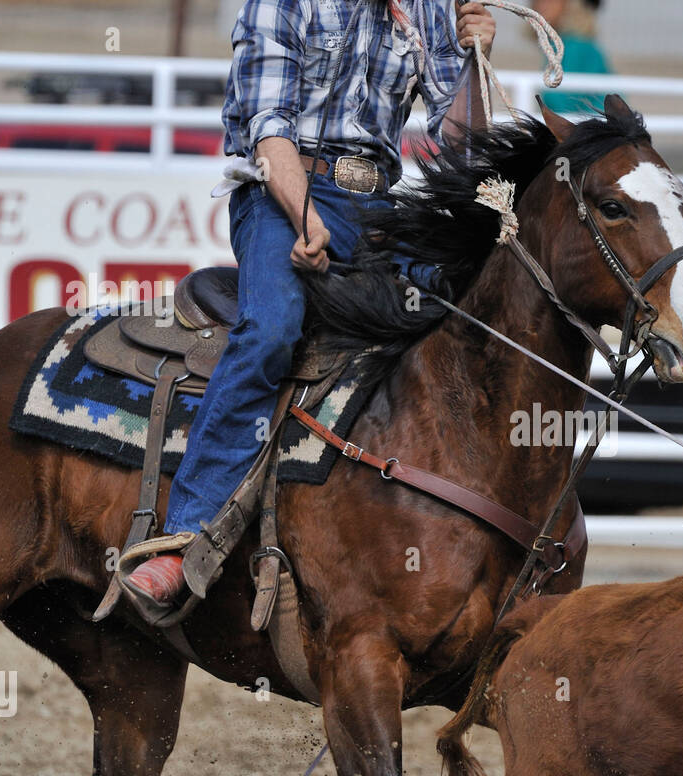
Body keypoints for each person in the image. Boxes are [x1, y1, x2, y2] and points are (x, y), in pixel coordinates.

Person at [124, 0, 497, 610]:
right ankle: (183, 536)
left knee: (466, 308)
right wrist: (305, 216)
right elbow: (268, 130)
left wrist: (478, 62)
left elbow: (459, 143)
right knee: (272, 328)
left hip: (378, 202)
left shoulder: (430, 8)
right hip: (281, 191)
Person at [531, 0, 609, 114]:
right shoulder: (574, 44)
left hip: (589, 126)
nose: (540, 3)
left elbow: (558, 105)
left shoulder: (575, 46)